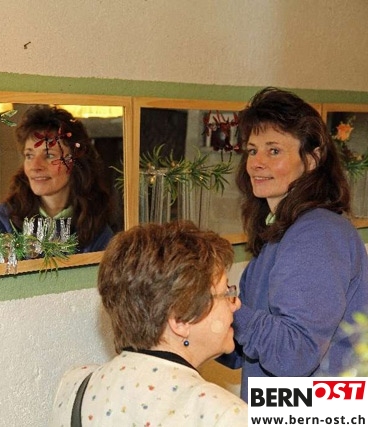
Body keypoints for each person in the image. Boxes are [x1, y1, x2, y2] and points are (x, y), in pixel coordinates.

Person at [218, 87, 368, 401]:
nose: (257, 163)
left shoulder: (317, 234)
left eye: (274, 151)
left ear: (312, 159)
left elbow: (293, 355)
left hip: (316, 413)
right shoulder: (281, 232)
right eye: (252, 150)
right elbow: (244, 351)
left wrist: (222, 307)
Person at [50, 221, 247, 426]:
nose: (236, 304)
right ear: (180, 319)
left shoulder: (75, 387)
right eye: (226, 292)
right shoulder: (225, 415)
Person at [0, 105, 115, 265]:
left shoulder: (96, 230)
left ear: (76, 162)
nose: (35, 166)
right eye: (29, 155)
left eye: (49, 155)